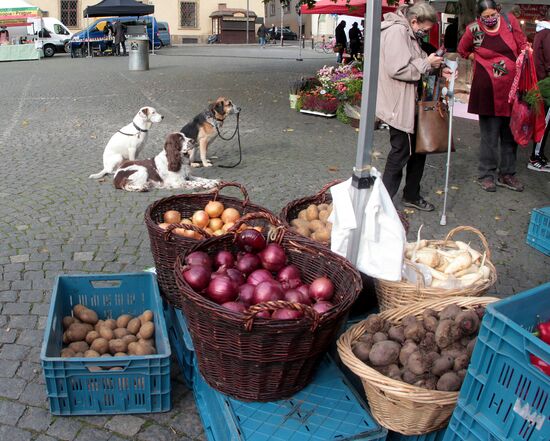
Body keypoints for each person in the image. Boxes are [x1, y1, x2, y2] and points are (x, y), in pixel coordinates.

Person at [376, 2, 450, 212]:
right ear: (414, 20)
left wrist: (436, 67)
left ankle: (411, 195)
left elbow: (414, 61)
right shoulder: (397, 32)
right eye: (424, 29)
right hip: (399, 104)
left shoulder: (407, 31)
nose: (425, 34)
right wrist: (427, 64)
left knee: (419, 150)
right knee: (401, 152)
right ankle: (382, 205)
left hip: (412, 102)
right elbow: (397, 69)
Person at [458, 0, 529, 192]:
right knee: (489, 135)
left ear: (498, 11)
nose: (489, 19)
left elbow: (522, 44)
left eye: (492, 15)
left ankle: (507, 174)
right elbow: (462, 51)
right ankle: (486, 174)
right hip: (486, 89)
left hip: (511, 90)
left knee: (510, 134)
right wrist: (479, 59)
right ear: (479, 17)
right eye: (485, 17)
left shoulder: (509, 21)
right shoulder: (473, 30)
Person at [531, 8, 550, 172]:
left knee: (542, 121)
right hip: (546, 85)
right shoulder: (548, 34)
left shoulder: (541, 33)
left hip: (540, 83)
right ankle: (536, 157)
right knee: (544, 122)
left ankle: (538, 155)